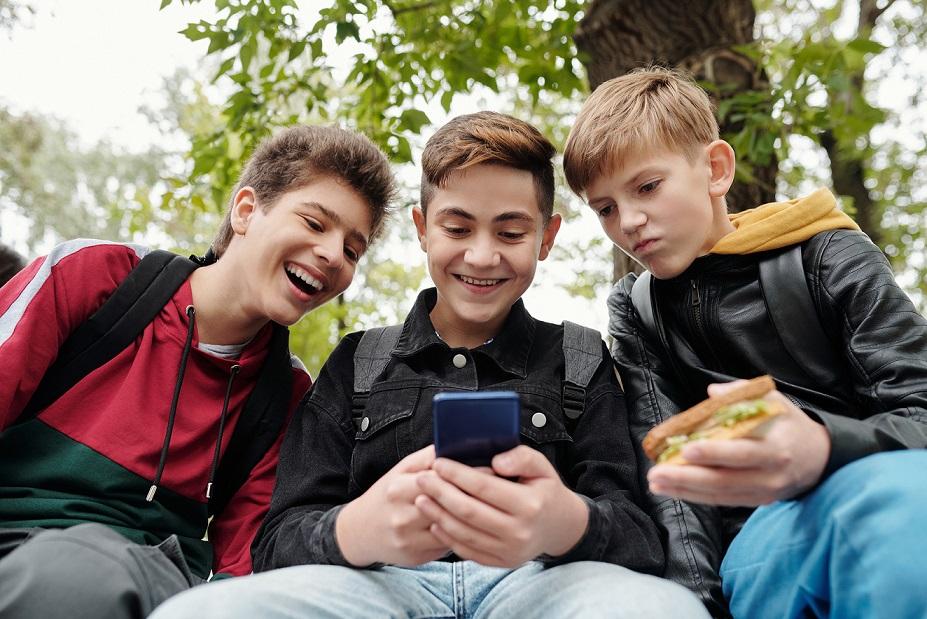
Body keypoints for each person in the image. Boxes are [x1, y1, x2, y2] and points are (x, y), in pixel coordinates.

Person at [151, 111, 708, 618]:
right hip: (376, 589)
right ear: (422, 229)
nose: (483, 255)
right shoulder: (358, 362)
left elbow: (639, 535)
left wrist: (565, 520)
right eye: (457, 228)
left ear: (546, 238)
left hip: (542, 586)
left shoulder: (581, 357)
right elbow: (276, 540)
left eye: (511, 232)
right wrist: (358, 530)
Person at [562, 66, 927, 618]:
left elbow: (919, 409)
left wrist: (824, 448)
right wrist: (696, 605)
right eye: (606, 209)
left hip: (890, 495)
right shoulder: (637, 311)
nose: (629, 222)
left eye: (647, 187)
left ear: (715, 169)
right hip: (760, 543)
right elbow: (670, 481)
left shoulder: (827, 256)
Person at [0, 125, 396, 618]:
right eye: (315, 224)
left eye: (353, 250)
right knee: (74, 573)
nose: (334, 255)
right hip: (19, 544)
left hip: (161, 584)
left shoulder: (287, 396)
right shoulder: (95, 277)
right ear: (247, 211)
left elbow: (245, 569)